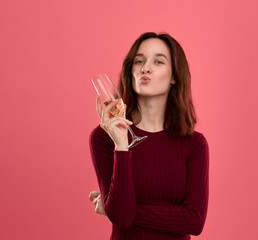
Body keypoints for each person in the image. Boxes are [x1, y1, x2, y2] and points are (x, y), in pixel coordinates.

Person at [89, 32, 209, 240]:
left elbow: (194, 221)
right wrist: (121, 145)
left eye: (158, 61)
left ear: (174, 77)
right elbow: (122, 218)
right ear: (131, 70)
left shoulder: (194, 143)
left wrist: (113, 208)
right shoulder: (103, 137)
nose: (145, 68)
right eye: (139, 61)